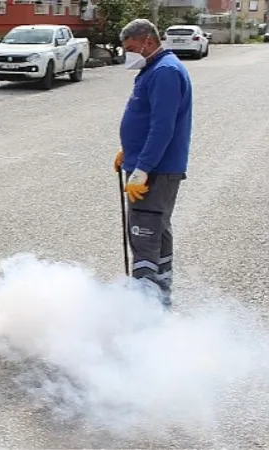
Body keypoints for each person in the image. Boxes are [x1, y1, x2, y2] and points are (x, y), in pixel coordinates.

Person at [114, 18, 192, 308]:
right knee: (157, 229)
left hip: (156, 171)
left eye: (131, 48)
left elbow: (162, 127)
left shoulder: (165, 72)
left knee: (144, 233)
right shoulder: (155, 69)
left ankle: (143, 314)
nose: (128, 54)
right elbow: (146, 120)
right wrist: (128, 151)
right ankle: (160, 301)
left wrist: (142, 168)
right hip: (149, 165)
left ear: (148, 40)